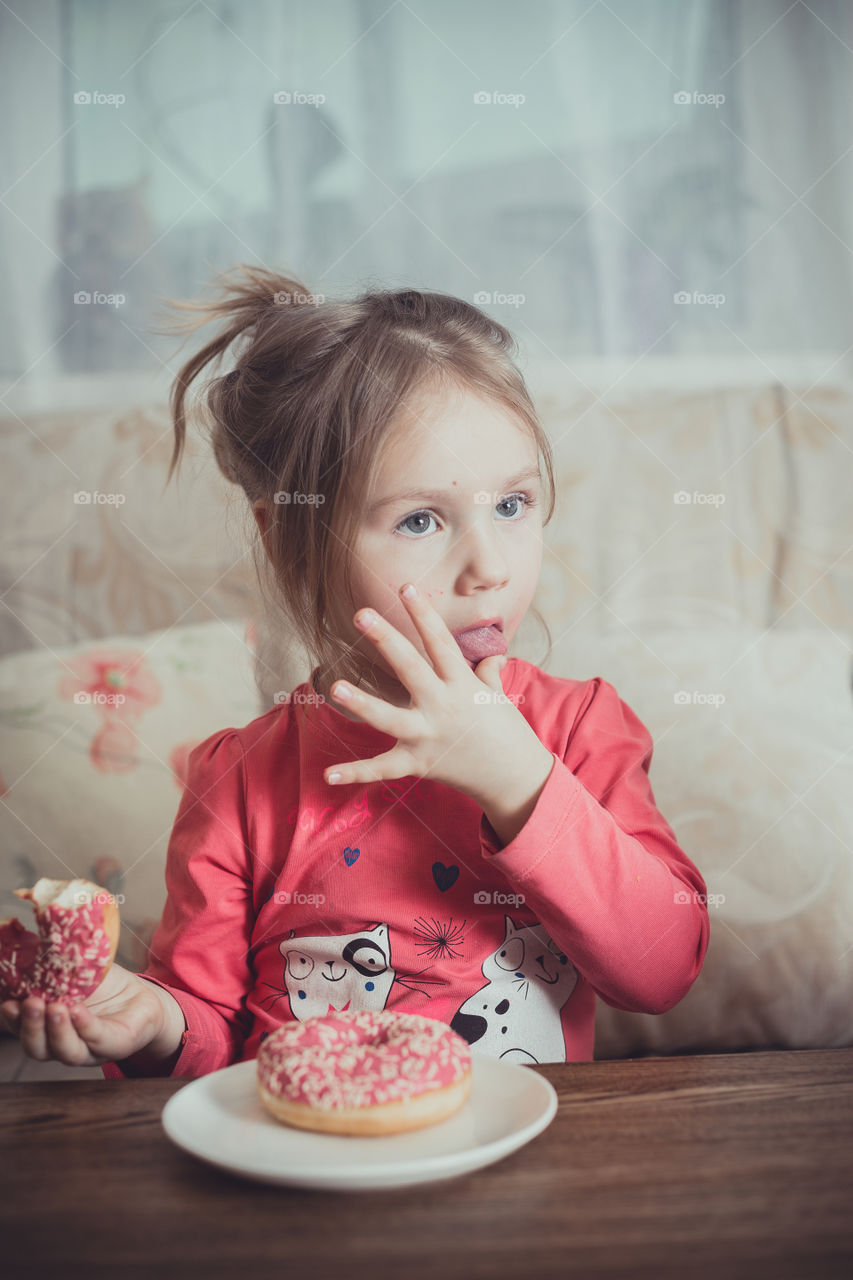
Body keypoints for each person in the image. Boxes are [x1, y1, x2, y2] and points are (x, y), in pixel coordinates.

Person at [0, 266, 710, 1075]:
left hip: (523, 1170)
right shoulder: (239, 781)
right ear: (287, 538)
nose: (488, 566)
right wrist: (153, 1019)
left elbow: (662, 968)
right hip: (307, 1166)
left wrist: (517, 778)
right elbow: (209, 1031)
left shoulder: (577, 731)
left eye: (511, 504)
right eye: (419, 519)